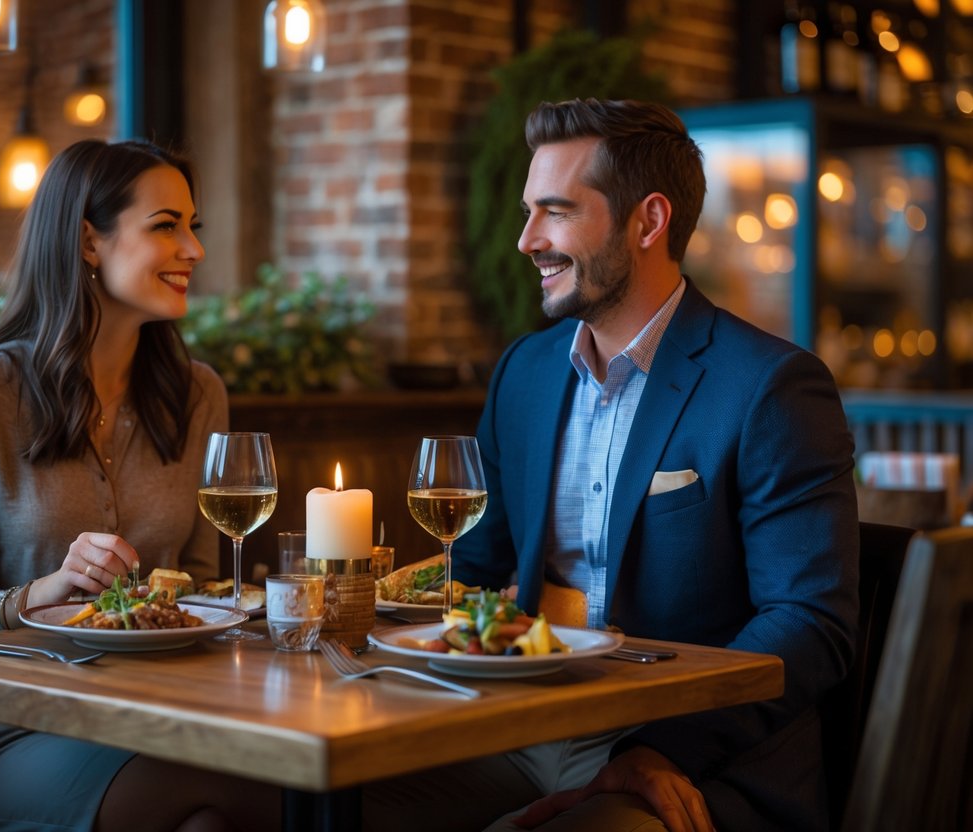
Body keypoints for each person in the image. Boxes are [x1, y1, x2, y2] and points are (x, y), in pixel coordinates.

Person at [367, 99, 859, 832]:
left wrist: (660, 746)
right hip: (513, 730)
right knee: (282, 806)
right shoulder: (523, 374)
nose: (525, 239)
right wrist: (361, 614)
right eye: (529, 212)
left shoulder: (769, 386)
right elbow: (473, 565)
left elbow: (809, 620)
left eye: (555, 212)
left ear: (648, 222)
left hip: (692, 756)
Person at [0, 139, 276, 831]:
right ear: (89, 242)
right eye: (165, 225)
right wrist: (40, 594)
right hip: (21, 729)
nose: (194, 251)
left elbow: (203, 584)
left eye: (191, 227)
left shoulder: (196, 393)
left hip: (167, 716)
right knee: (249, 786)